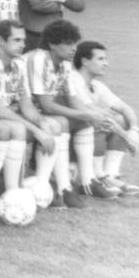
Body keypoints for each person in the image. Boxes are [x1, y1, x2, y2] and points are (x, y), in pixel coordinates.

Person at [0, 20, 63, 211]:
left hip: (6, 116)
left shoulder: (19, 63)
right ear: (0, 40)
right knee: (16, 128)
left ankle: (38, 188)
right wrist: (36, 130)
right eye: (16, 40)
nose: (23, 45)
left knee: (53, 126)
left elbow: (26, 104)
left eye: (23, 40)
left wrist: (41, 124)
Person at [25, 20, 104, 207]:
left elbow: (72, 99)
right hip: (21, 110)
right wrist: (84, 115)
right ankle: (58, 187)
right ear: (52, 44)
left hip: (36, 110)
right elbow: (46, 105)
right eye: (68, 43)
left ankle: (86, 181)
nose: (74, 49)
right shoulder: (38, 59)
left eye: (74, 43)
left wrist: (91, 114)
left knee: (78, 122)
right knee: (62, 121)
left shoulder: (64, 63)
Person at [67, 41, 139, 196]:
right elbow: (94, 114)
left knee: (122, 119)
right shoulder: (74, 79)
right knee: (98, 122)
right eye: (101, 59)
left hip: (83, 137)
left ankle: (110, 175)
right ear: (85, 61)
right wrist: (126, 137)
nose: (106, 64)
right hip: (70, 139)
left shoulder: (96, 85)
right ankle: (95, 176)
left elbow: (124, 107)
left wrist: (134, 129)